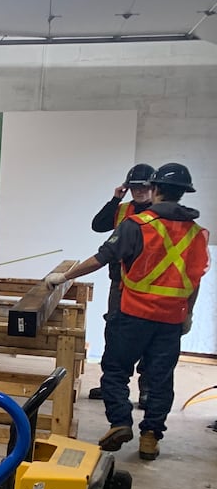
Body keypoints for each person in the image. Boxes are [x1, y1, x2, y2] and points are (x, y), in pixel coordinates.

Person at [45, 163, 208, 461]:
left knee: (115, 371)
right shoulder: (197, 234)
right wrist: (189, 315)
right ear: (183, 194)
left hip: (133, 313)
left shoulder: (139, 225)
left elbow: (100, 258)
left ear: (156, 190)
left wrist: (66, 276)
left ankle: (120, 422)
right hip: (171, 319)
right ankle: (150, 437)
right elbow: (195, 280)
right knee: (161, 378)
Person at [87, 164, 155, 406]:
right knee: (114, 331)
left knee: (148, 337)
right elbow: (98, 225)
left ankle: (147, 389)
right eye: (135, 187)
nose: (140, 192)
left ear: (153, 187)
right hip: (120, 283)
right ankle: (111, 385)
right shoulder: (123, 209)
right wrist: (116, 198)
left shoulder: (161, 213)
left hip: (150, 286)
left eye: (144, 187)